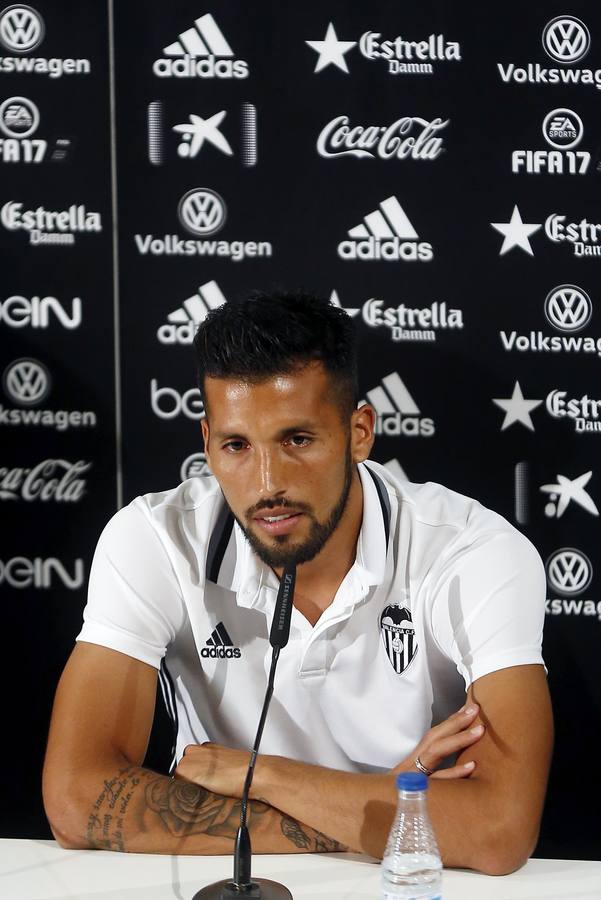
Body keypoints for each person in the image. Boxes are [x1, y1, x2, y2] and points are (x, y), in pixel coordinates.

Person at [43, 292, 553, 874]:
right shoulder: (156, 539)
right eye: (236, 446)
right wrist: (384, 807)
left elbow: (497, 829)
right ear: (207, 442)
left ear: (359, 431)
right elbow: (76, 798)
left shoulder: (472, 551)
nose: (267, 483)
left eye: (297, 440)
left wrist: (260, 774)